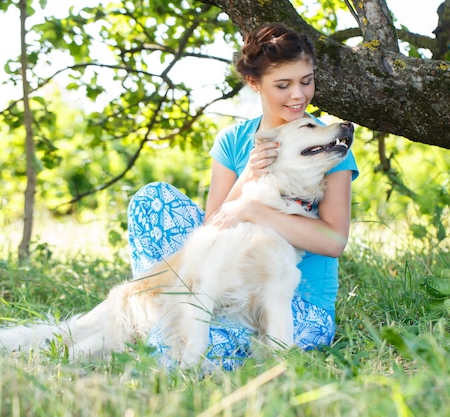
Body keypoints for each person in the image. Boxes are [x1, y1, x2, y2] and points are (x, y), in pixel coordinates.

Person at [127, 23, 358, 370]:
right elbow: (215, 229)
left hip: (297, 305)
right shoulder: (234, 140)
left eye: (306, 81)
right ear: (255, 83)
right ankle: (159, 315)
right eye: (283, 85)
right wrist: (248, 177)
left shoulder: (324, 145)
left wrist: (254, 209)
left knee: (186, 350)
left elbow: (334, 240)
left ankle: (163, 335)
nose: (298, 95)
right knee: (153, 198)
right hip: (227, 290)